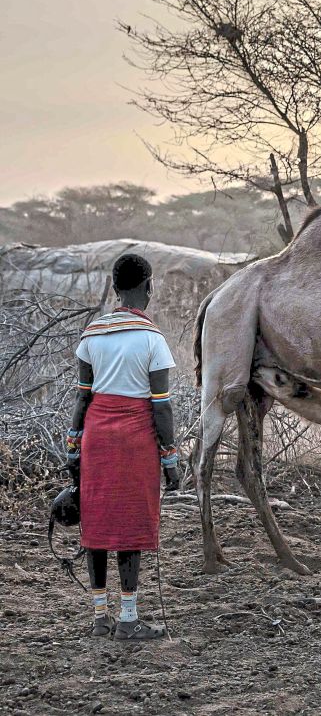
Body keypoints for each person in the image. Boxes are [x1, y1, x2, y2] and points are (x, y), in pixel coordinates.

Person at [65, 254, 180, 640]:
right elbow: (161, 406)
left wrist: (72, 448)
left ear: (115, 289)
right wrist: (171, 457)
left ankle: (100, 619)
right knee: (130, 525)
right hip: (135, 440)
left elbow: (82, 400)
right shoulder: (152, 340)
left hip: (96, 436)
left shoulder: (91, 335)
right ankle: (128, 620)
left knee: (96, 524)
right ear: (148, 286)